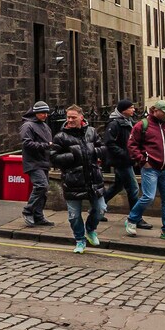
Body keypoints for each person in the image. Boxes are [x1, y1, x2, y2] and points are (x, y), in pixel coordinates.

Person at [49, 105, 108, 252]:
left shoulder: (92, 131)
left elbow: (104, 148)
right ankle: (80, 240)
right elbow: (53, 158)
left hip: (93, 178)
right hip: (72, 180)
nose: (70, 120)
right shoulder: (60, 136)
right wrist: (72, 155)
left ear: (81, 117)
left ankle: (90, 229)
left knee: (101, 209)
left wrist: (94, 151)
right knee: (74, 216)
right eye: (68, 117)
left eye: (73, 117)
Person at [126, 98, 165, 240]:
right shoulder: (143, 125)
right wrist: (143, 161)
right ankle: (132, 219)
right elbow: (132, 145)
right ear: (155, 111)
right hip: (150, 167)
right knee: (148, 197)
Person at [18, 101, 54, 227]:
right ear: (36, 112)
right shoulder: (28, 126)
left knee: (44, 190)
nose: (45, 115)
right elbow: (26, 143)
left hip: (43, 161)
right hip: (33, 163)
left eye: (46, 113)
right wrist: (46, 146)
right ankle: (28, 210)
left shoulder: (44, 126)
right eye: (43, 113)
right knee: (41, 186)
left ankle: (38, 216)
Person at [103, 99, 139, 207]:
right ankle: (135, 217)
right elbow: (109, 143)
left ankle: (97, 207)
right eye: (131, 107)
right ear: (123, 110)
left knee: (117, 187)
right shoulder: (114, 124)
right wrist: (125, 154)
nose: (133, 109)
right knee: (134, 188)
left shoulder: (129, 122)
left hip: (127, 160)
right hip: (122, 161)